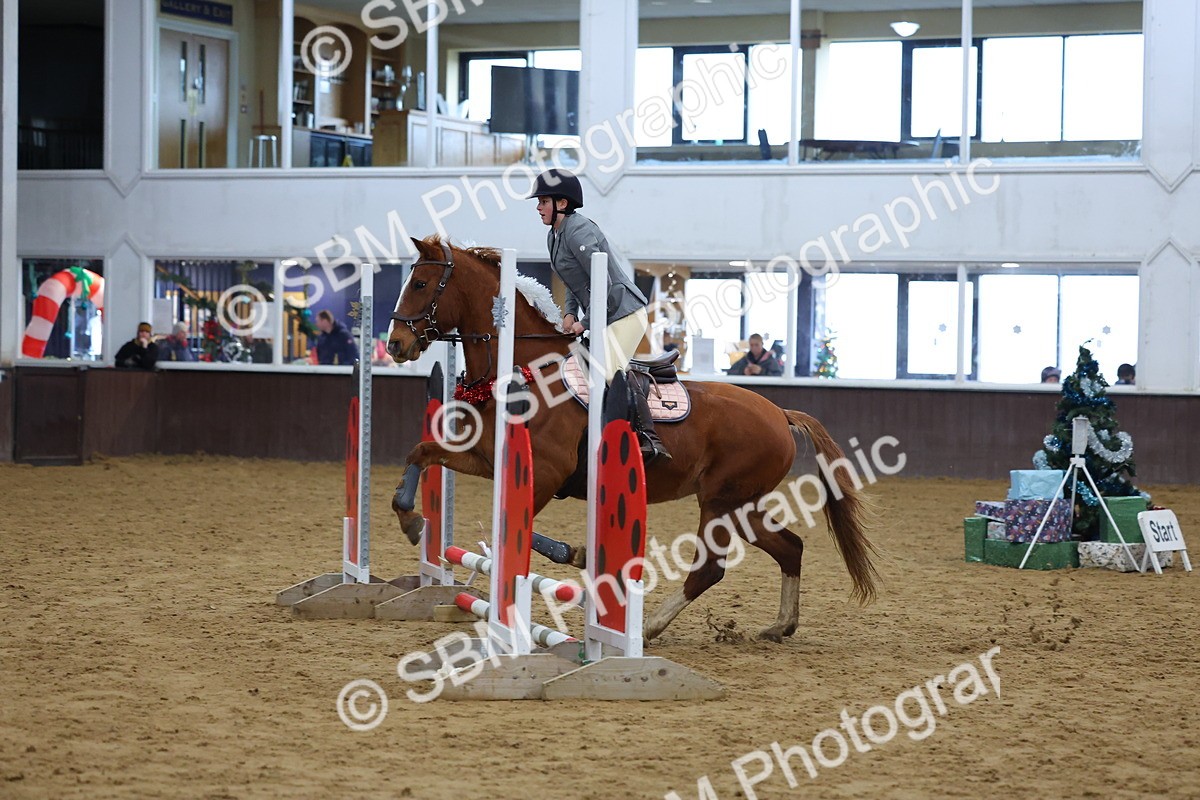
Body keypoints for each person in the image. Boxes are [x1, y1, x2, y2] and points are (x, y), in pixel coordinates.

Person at [528, 168, 669, 463]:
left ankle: (649, 437)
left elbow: (600, 282)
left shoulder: (579, 230)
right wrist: (568, 314)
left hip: (624, 313)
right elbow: (571, 282)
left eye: (543, 201)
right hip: (601, 314)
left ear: (562, 204)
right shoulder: (554, 236)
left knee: (608, 372)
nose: (538, 206)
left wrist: (585, 322)